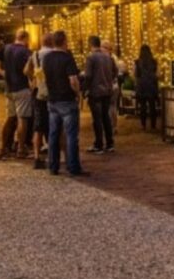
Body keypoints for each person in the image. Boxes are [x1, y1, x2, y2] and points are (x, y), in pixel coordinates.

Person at [44, 30, 89, 176]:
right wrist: (77, 92)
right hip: (66, 99)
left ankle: (53, 166)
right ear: (64, 41)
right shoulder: (67, 58)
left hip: (52, 99)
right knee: (71, 135)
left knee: (53, 134)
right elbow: (73, 80)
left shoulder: (47, 58)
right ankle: (73, 166)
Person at [0, 30, 33, 159]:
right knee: (22, 119)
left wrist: (2, 72)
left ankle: (2, 147)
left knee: (10, 118)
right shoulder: (26, 52)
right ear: (26, 38)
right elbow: (29, 69)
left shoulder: (6, 48)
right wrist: (31, 79)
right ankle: (21, 148)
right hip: (22, 87)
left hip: (9, 88)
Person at [24, 32, 54, 170]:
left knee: (38, 126)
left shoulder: (35, 55)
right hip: (53, 92)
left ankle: (36, 157)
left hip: (38, 92)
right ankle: (55, 155)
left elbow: (25, 70)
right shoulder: (55, 54)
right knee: (55, 124)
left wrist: (33, 80)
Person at [84, 35, 116, 153]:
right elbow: (115, 71)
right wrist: (108, 81)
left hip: (95, 91)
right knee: (106, 117)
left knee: (97, 119)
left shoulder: (91, 58)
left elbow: (88, 76)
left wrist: (86, 89)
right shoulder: (108, 57)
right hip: (107, 90)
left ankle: (99, 144)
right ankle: (110, 143)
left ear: (90, 44)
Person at [135, 45, 160, 130]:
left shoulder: (137, 62)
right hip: (152, 85)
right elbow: (158, 74)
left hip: (141, 85)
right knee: (152, 106)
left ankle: (143, 125)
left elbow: (134, 74)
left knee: (143, 106)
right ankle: (153, 125)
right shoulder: (154, 61)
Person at [101, 40, 121, 135]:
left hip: (109, 85)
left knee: (109, 107)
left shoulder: (108, 59)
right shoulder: (115, 58)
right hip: (114, 85)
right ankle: (114, 126)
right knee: (113, 106)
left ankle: (110, 126)